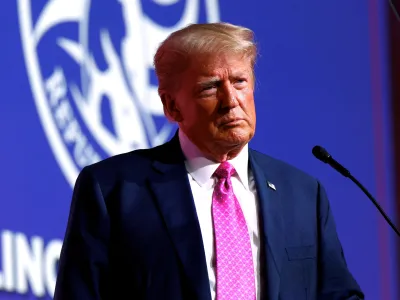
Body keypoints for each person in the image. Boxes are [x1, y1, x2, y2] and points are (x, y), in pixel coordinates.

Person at [54, 22, 364, 300]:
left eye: (240, 82)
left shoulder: (303, 194)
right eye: (211, 87)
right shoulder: (114, 188)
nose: (231, 101)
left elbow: (337, 294)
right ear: (172, 106)